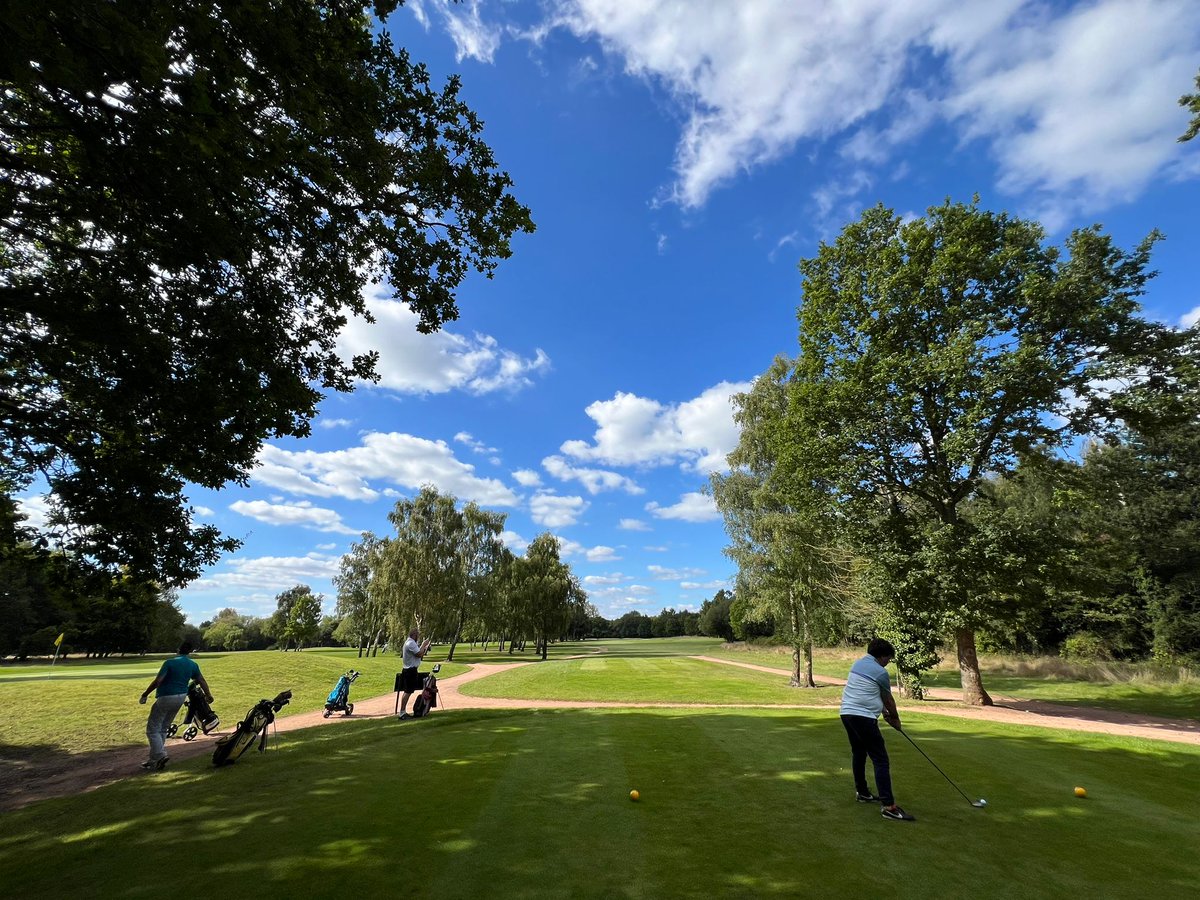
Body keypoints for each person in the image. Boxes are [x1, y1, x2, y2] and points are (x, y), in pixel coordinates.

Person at [839, 637, 915, 821]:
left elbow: (868, 693)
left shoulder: (858, 664)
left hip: (847, 714)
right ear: (882, 656)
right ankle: (889, 806)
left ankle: (863, 792)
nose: (888, 662)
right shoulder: (880, 672)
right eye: (888, 658)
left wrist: (884, 713)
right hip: (863, 718)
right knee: (880, 759)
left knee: (859, 752)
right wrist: (895, 718)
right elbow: (888, 699)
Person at [138, 641, 213, 771]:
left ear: (178, 649)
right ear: (189, 651)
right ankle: (154, 760)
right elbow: (201, 680)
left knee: (153, 728)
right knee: (163, 728)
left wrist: (145, 694)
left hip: (165, 697)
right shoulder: (192, 665)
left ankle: (160, 755)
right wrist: (208, 695)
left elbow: (158, 681)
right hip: (180, 697)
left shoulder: (170, 663)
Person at [396, 627, 431, 720]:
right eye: (417, 635)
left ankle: (403, 712)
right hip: (409, 670)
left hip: (411, 670)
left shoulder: (411, 643)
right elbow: (419, 654)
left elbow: (419, 654)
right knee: (407, 691)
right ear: (414, 635)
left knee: (409, 691)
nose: (418, 637)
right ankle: (402, 712)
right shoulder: (410, 643)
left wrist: (424, 648)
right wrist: (423, 645)